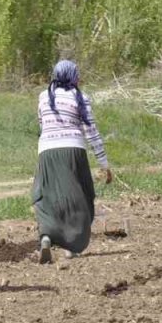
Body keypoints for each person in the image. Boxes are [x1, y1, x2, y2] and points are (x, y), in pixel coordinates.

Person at [33, 60, 113, 264]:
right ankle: (72, 247)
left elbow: (42, 125)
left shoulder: (44, 97)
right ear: (73, 77)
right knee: (81, 196)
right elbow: (91, 132)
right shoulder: (80, 97)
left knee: (46, 195)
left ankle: (46, 237)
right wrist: (104, 163)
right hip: (73, 151)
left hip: (47, 151)